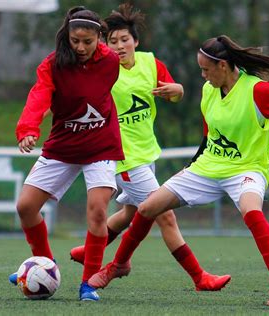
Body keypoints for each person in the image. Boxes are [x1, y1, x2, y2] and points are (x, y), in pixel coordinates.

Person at [90, 35, 269, 306]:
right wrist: (192, 165)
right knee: (148, 208)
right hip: (208, 166)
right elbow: (209, 136)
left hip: (247, 168)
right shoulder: (209, 90)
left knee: (252, 212)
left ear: (223, 66)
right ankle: (118, 265)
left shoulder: (257, 91)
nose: (203, 75)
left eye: (206, 69)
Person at [70, 3, 230, 292]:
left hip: (147, 153)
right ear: (104, 46)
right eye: (112, 41)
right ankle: (199, 277)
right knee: (164, 215)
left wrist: (177, 90)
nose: (118, 46)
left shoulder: (149, 63)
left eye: (124, 40)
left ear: (136, 41)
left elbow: (174, 93)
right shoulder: (102, 69)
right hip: (124, 159)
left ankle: (90, 250)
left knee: (132, 213)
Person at [7, 6, 124, 302]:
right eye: (75, 41)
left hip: (101, 146)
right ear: (67, 37)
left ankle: (89, 284)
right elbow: (39, 95)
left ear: (100, 37)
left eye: (88, 41)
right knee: (25, 207)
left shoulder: (110, 61)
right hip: (63, 145)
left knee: (98, 210)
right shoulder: (53, 64)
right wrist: (28, 129)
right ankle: (45, 267)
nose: (81, 47)